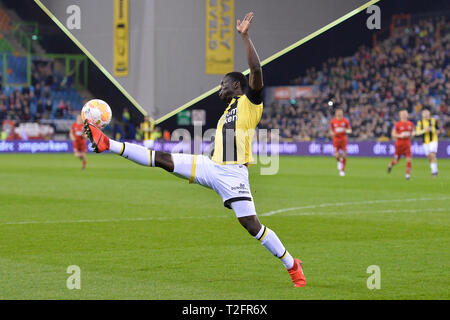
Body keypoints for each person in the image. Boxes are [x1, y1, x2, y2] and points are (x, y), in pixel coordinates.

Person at [84, 12, 306, 287]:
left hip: (233, 175)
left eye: (224, 83)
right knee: (162, 160)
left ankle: (291, 264)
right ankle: (108, 144)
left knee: (252, 226)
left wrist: (245, 37)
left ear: (237, 85)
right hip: (210, 166)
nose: (220, 87)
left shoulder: (251, 103)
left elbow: (257, 72)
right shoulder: (228, 111)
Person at [387, 109, 415, 180]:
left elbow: (413, 132)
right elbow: (393, 134)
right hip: (399, 145)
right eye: (403, 114)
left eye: (405, 114)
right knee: (396, 161)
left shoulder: (410, 124)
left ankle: (407, 175)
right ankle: (390, 164)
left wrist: (412, 134)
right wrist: (400, 135)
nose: (404, 115)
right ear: (400, 116)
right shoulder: (397, 124)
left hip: (407, 144)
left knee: (409, 159)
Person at [415, 109, 439, 177]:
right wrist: (424, 130)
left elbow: (438, 130)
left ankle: (434, 172)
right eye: (424, 114)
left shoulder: (433, 120)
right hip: (425, 142)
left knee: (432, 155)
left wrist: (434, 130)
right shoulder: (420, 122)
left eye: (427, 113)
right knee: (429, 157)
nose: (425, 115)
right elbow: (417, 132)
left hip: (433, 140)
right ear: (422, 115)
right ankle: (435, 168)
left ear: (429, 114)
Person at [329, 108, 351, 176]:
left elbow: (350, 131)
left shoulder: (345, 121)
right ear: (336, 113)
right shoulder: (333, 121)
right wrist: (332, 133)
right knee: (336, 155)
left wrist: (345, 130)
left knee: (344, 155)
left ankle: (342, 170)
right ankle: (339, 162)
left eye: (340, 113)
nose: (339, 114)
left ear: (342, 113)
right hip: (336, 139)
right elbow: (330, 130)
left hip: (343, 139)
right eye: (338, 113)